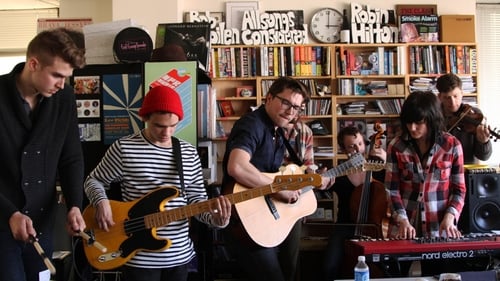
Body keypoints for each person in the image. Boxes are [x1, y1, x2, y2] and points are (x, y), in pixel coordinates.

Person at [84, 85, 231, 281]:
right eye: (159, 126)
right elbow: (93, 180)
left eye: (173, 125)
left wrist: (217, 221)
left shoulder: (188, 153)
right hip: (137, 257)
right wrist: (101, 201)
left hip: (179, 257)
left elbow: (197, 201)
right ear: (144, 118)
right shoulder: (125, 148)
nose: (166, 132)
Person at [0, 28, 87, 281]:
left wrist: (74, 205)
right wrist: (10, 213)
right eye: (57, 76)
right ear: (33, 63)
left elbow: (71, 156)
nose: (62, 84)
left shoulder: (64, 98)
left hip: (42, 221)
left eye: (67, 77)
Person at [222, 76, 313, 281]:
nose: (291, 111)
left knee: (287, 271)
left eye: (297, 107)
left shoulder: (277, 131)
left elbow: (267, 171)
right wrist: (277, 188)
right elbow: (237, 166)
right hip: (244, 218)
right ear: (269, 98)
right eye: (286, 102)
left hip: (264, 215)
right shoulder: (252, 124)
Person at [387, 91, 466, 240]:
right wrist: (402, 220)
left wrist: (450, 217)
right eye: (408, 122)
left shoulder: (452, 145)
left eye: (418, 122)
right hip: (403, 226)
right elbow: (392, 190)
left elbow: (459, 190)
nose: (412, 128)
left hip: (440, 227)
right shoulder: (396, 146)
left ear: (431, 119)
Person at [321, 125, 387, 280]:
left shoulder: (380, 171)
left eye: (360, 144)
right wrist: (321, 179)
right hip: (345, 228)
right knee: (329, 267)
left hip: (374, 229)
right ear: (344, 150)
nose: (357, 149)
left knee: (388, 267)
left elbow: (398, 182)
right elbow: (321, 186)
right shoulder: (339, 174)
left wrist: (386, 162)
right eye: (351, 146)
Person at [436, 73, 492, 164]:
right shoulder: (434, 116)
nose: (453, 102)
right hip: (441, 171)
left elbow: (484, 157)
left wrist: (484, 142)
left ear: (462, 93)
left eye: (455, 96)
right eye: (447, 98)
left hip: (465, 171)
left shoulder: (474, 114)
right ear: (440, 97)